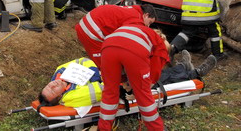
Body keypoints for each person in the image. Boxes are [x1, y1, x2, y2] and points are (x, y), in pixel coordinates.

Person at [38, 51, 217, 108]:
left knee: (146, 67)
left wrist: (94, 71)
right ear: (60, 97)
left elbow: (85, 61)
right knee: (156, 80)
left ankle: (182, 67)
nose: (53, 83)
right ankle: (195, 74)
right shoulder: (72, 96)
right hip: (120, 86)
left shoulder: (59, 75)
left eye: (49, 85)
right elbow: (102, 89)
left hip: (109, 73)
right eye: (53, 89)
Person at [98, 24, 170, 130]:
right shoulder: (161, 47)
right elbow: (152, 77)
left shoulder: (141, 31)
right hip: (132, 50)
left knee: (109, 92)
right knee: (144, 96)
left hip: (107, 46)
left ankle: (103, 128)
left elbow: (123, 70)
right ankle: (157, 128)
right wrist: (137, 91)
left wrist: (127, 82)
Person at [75, 4, 156, 68]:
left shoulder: (132, 10)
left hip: (86, 24)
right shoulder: (137, 20)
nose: (148, 26)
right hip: (92, 30)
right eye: (149, 23)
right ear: (146, 15)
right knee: (104, 66)